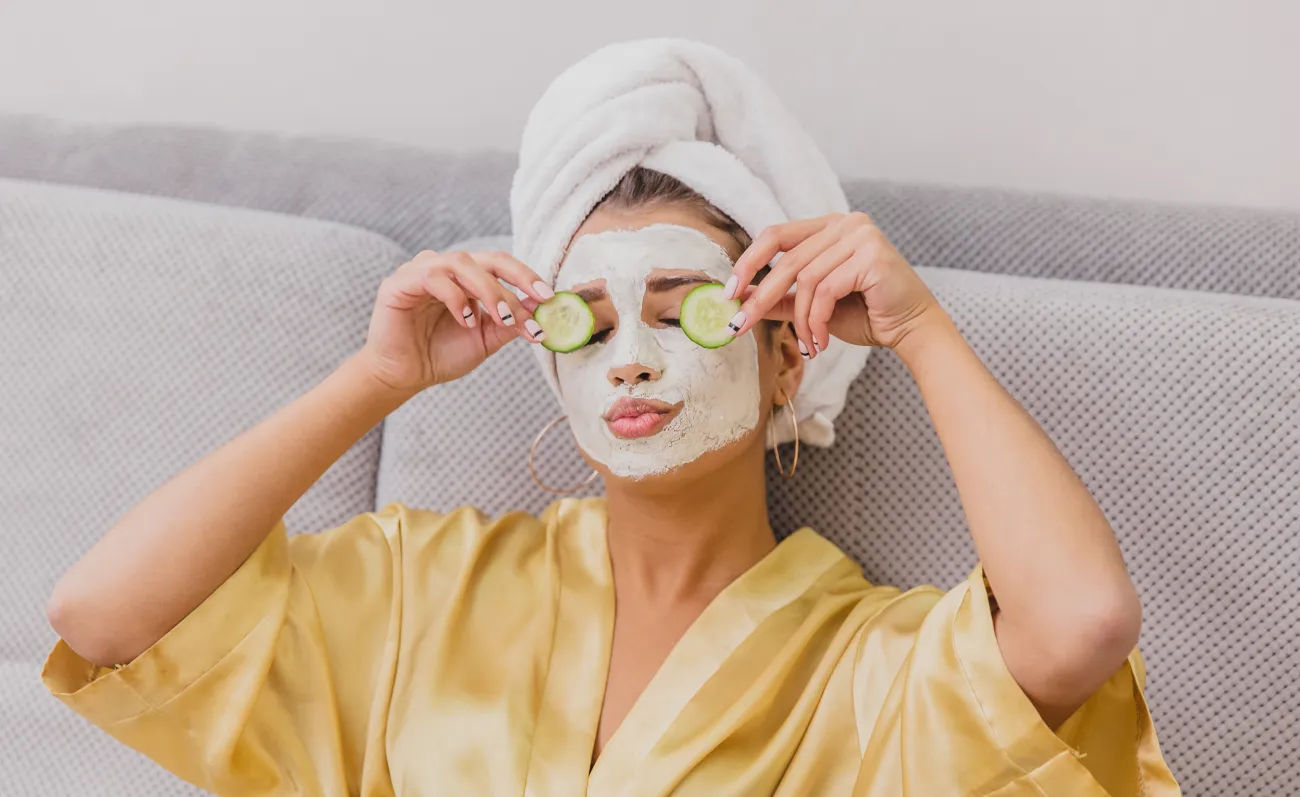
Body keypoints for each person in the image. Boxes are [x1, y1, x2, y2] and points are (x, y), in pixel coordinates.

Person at [42, 41, 1179, 796]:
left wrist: (924, 328)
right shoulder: (422, 584)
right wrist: (374, 379)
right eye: (583, 322)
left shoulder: (868, 664)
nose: (629, 357)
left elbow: (1078, 620)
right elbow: (102, 616)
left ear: (788, 356)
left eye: (684, 312)